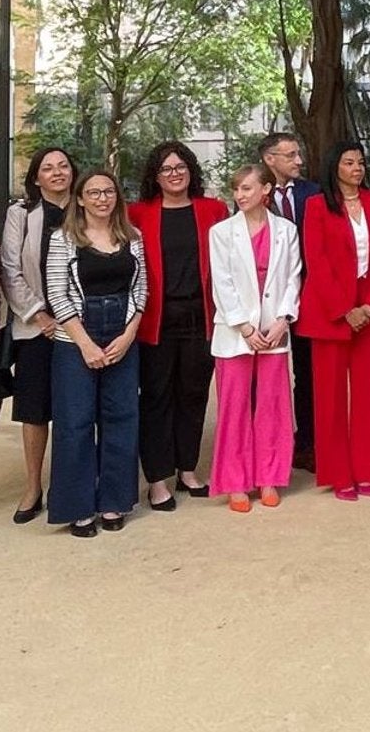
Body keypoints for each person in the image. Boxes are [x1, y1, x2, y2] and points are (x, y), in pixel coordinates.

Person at [127, 142, 229, 509]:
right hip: (155, 319)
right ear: (155, 177)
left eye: (180, 166)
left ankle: (187, 468)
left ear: (190, 170)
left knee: (194, 394)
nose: (174, 174)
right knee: (156, 397)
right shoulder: (138, 213)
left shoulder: (212, 210)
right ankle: (157, 478)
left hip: (201, 316)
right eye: (166, 169)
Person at [45, 170, 147, 537]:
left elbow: (141, 292)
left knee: (122, 417)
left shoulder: (133, 238)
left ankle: (114, 501)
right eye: (94, 192)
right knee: (75, 423)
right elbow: (57, 294)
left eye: (109, 191)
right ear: (81, 199)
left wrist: (128, 334)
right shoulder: (63, 239)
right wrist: (85, 344)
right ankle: (78, 507)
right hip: (76, 341)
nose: (103, 198)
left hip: (122, 337)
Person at [296, 141, 370, 499]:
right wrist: (345, 310)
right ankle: (339, 474)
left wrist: (369, 305)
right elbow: (317, 262)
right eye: (349, 162)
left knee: (368, 395)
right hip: (330, 314)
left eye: (360, 162)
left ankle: (367, 469)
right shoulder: (317, 205)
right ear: (334, 167)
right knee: (331, 398)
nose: (357, 168)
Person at [207, 165, 302, 512]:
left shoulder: (286, 231)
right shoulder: (220, 233)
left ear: (266, 190)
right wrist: (245, 327)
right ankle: (235, 481)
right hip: (236, 333)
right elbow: (222, 283)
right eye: (236, 190)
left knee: (273, 406)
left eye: (247, 188)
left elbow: (293, 278)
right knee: (234, 407)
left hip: (275, 330)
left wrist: (282, 320)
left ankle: (269, 477)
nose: (240, 195)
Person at [0, 146, 78, 524]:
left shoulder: (86, 208)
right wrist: (41, 316)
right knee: (35, 410)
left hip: (79, 328)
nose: (57, 172)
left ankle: (72, 482)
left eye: (63, 166)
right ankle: (32, 486)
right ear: (36, 177)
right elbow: (10, 269)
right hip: (36, 328)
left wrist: (71, 320)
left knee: (76, 408)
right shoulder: (21, 214)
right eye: (48, 168)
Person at [259, 132, 322, 472]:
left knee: (308, 373)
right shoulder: (255, 193)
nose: (299, 161)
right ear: (270, 159)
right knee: (266, 374)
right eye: (291, 155)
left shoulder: (314, 193)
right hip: (266, 300)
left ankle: (309, 443)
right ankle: (268, 445)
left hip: (309, 298)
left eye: (298, 154)